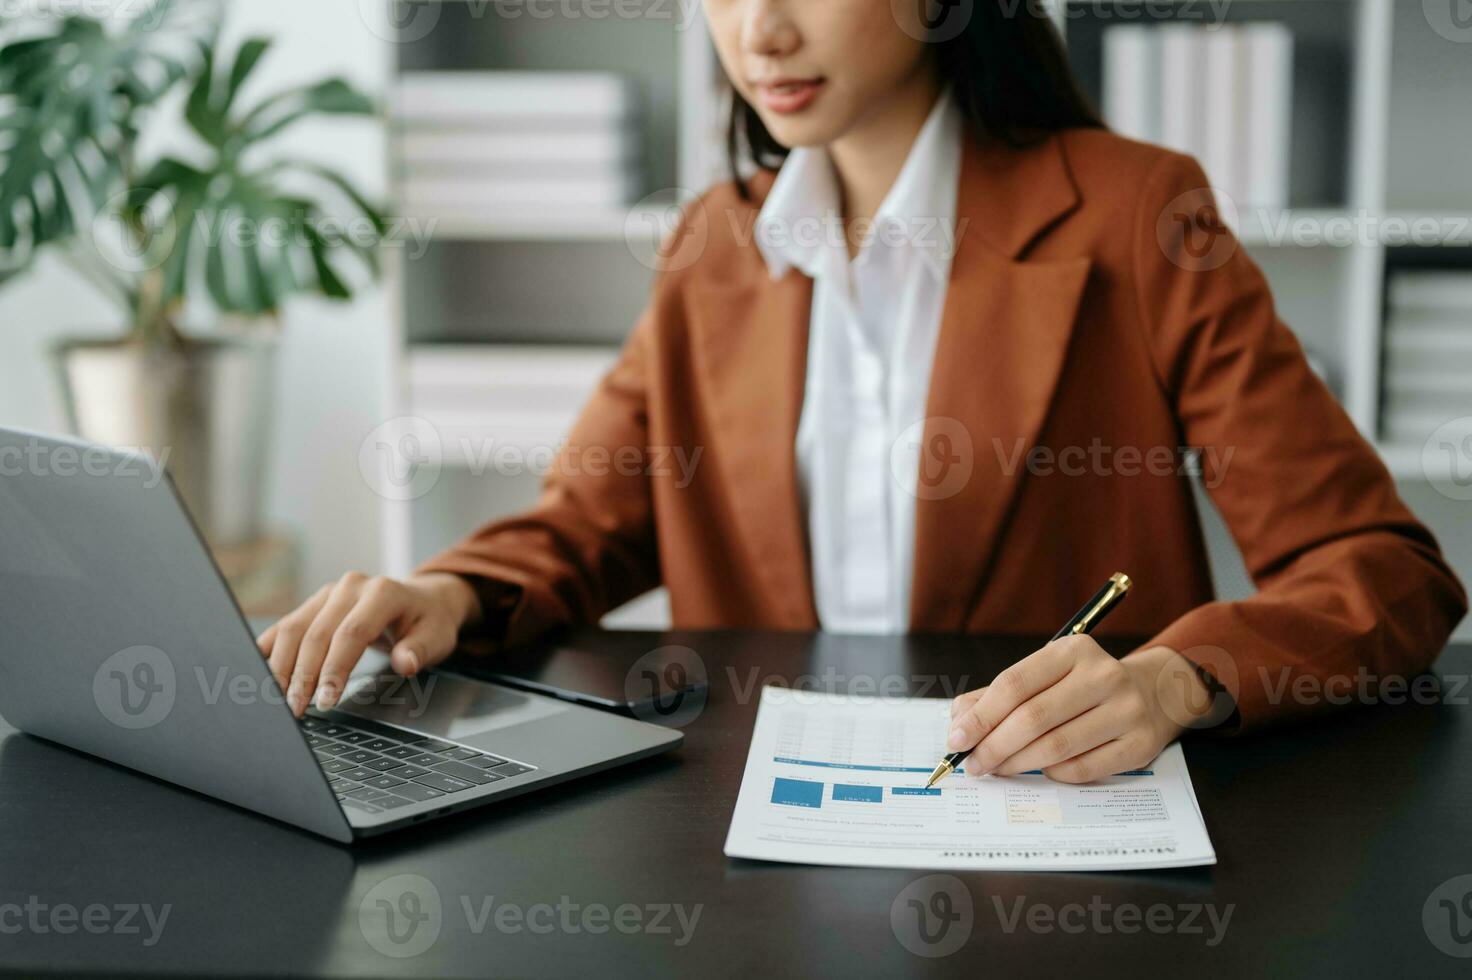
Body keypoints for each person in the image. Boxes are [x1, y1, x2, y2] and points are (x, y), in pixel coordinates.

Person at [259, 1, 1466, 782]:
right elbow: (592, 519)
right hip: (756, 818)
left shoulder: (1134, 214)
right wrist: (445, 589)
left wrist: (1172, 676)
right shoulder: (713, 245)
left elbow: (1379, 567)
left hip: (1045, 819)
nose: (760, 34)